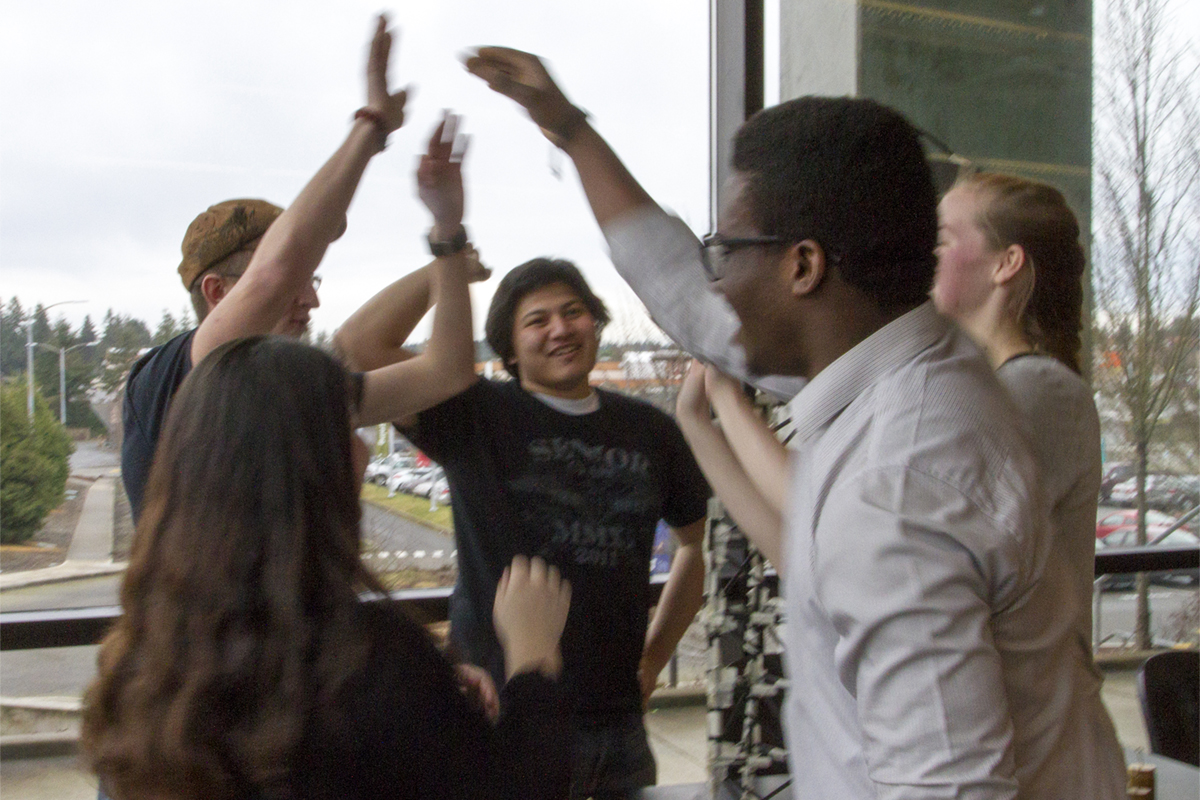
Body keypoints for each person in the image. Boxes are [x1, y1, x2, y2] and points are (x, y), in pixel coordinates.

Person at [465, 49, 1126, 799]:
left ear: (804, 266)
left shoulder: (899, 474)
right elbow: (690, 302)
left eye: (729, 250)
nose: (718, 278)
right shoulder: (901, 375)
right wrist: (569, 128)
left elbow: (944, 785)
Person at [82, 336, 572, 800]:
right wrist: (533, 658)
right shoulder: (370, 662)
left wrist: (433, 703)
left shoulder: (143, 660)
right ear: (307, 464)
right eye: (348, 426)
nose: (362, 449)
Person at [336, 257, 711, 797]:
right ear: (509, 349)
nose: (560, 329)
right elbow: (360, 345)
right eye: (537, 320)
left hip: (618, 728)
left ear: (595, 324)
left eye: (574, 312)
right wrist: (448, 265)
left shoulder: (652, 431)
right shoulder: (472, 413)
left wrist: (653, 660)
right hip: (500, 710)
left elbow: (692, 548)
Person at [121, 16, 479, 519]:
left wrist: (447, 231)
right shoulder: (167, 382)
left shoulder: (294, 388)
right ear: (218, 292)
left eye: (311, 280)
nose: (310, 300)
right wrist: (372, 125)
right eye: (297, 282)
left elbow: (447, 371)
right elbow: (276, 272)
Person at [932, 171, 1102, 650]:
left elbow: (938, 559)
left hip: (1024, 720)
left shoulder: (1038, 391)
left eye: (943, 240)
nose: (928, 255)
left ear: (1006, 264)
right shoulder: (997, 387)